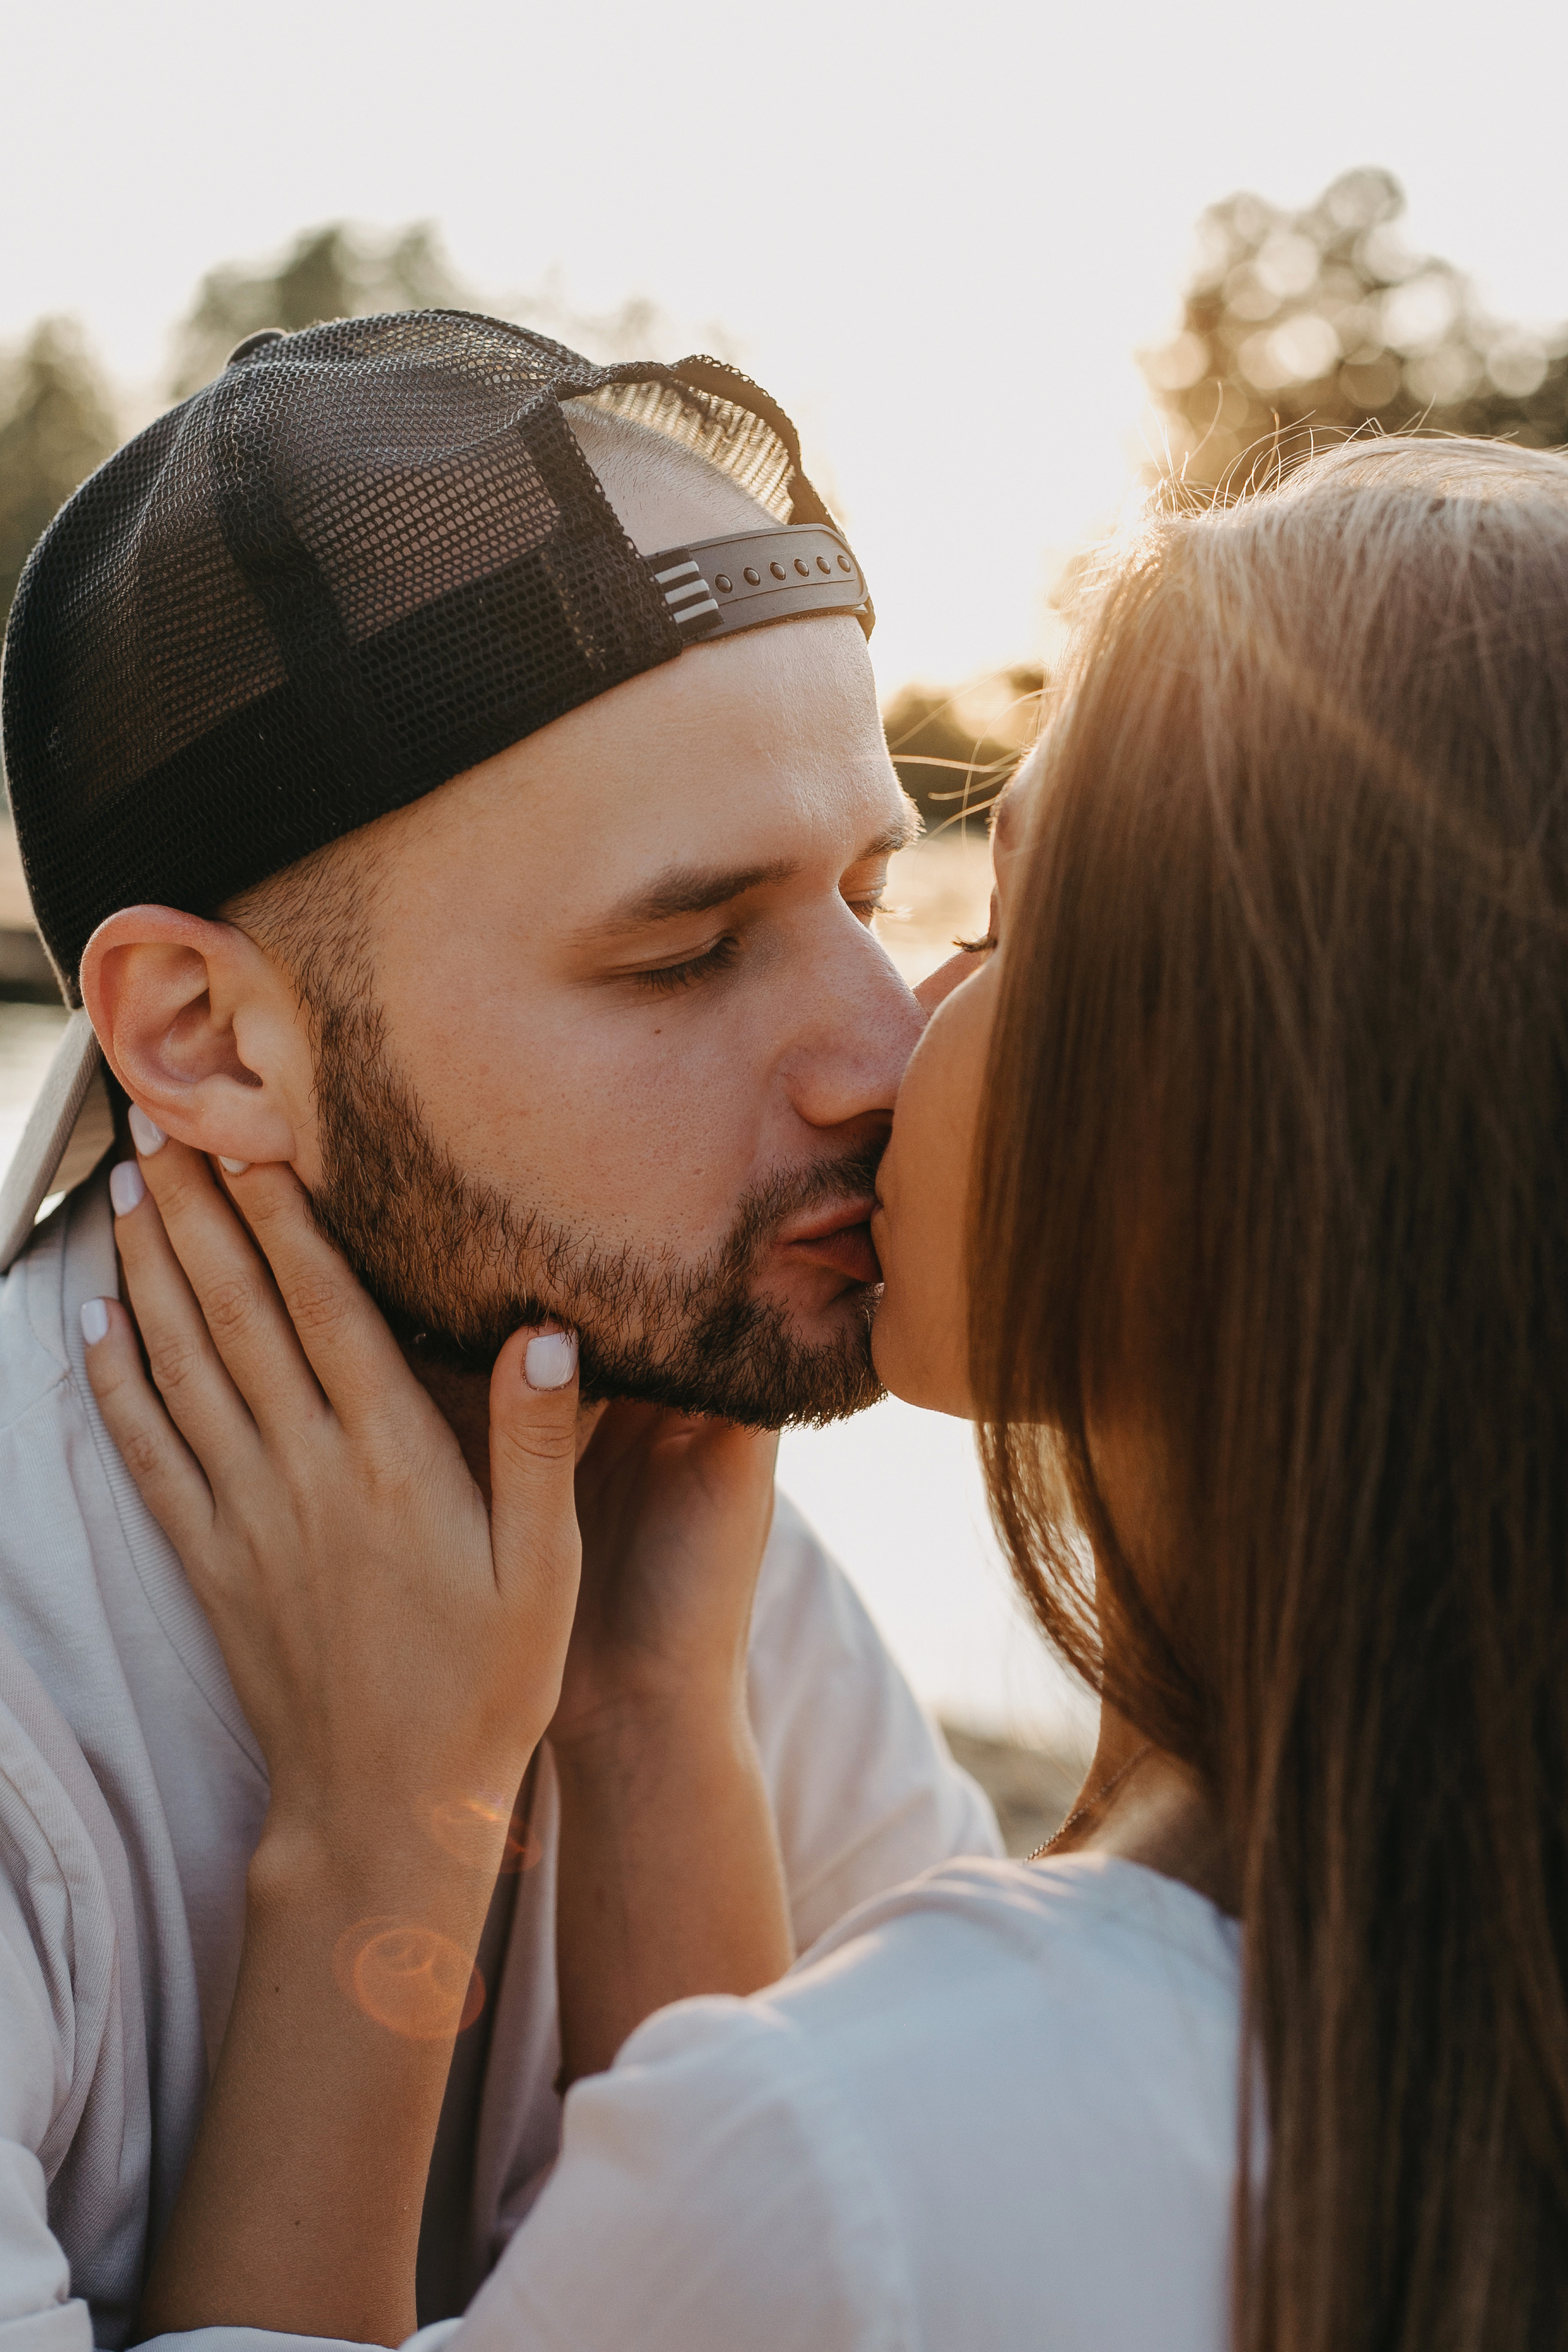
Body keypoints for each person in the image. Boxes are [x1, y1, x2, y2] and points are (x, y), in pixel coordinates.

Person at [80, 431, 1568, 2352]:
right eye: (695, 948)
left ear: (1256, 1131)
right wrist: (644, 1712)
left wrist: (394, 1819)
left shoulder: (865, 2162)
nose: (885, 1036)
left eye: (977, 919)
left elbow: (808, 2181)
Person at [0, 315, 1000, 2349]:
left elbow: (923, 2281)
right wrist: (386, 1828)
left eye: (870, 893)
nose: (884, 1055)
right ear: (202, 1040)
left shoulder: (665, 1490)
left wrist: (651, 1729)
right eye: (687, 951)